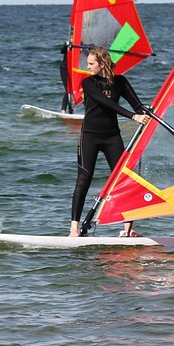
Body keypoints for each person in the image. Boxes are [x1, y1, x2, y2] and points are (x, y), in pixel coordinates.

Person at [69, 48, 150, 237]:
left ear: (102, 64)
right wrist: (133, 117)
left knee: (123, 180)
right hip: (90, 136)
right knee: (84, 180)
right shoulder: (88, 83)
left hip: (112, 137)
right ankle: (73, 229)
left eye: (91, 64)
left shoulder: (120, 82)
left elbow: (137, 105)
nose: (87, 67)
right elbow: (107, 103)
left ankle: (128, 230)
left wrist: (146, 112)